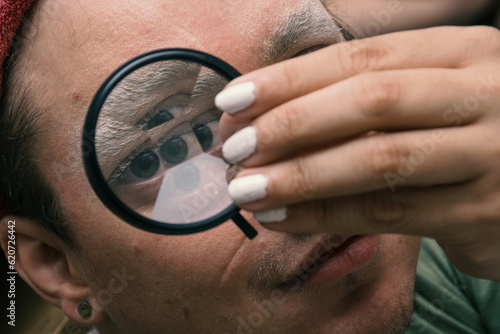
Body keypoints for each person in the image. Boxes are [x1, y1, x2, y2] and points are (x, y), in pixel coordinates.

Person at [0, 1, 498, 334]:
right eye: (171, 151)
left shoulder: (472, 252)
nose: (304, 176)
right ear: (56, 262)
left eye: (311, 67)